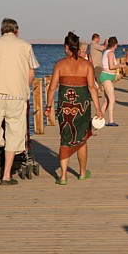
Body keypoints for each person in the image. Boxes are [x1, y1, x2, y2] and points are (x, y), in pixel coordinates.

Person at [0, 18, 40, 185]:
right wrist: (23, 87)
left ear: (1, 30)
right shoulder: (25, 46)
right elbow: (31, 73)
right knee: (14, 132)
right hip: (16, 95)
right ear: (17, 31)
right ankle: (6, 175)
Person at [45, 32, 103, 185]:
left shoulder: (60, 65)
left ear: (66, 47)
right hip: (82, 107)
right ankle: (82, 173)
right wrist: (98, 109)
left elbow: (52, 88)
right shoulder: (86, 65)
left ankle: (63, 176)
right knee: (82, 140)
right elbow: (92, 87)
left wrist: (48, 106)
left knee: (65, 138)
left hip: (64, 108)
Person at [100, 36, 126, 126]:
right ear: (115, 45)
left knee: (106, 100)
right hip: (106, 77)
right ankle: (110, 120)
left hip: (107, 77)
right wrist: (121, 66)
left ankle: (99, 118)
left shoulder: (107, 52)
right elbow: (111, 66)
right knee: (112, 100)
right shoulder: (110, 53)